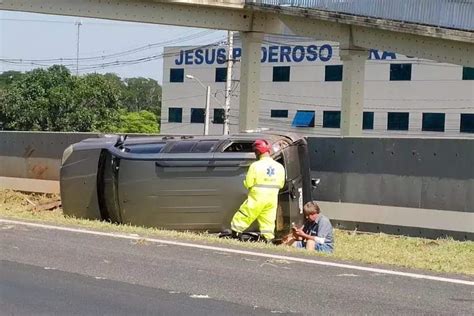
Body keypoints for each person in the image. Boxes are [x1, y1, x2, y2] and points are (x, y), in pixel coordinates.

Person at [229, 139, 285, 242]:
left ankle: (236, 233)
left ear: (257, 152)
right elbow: (281, 184)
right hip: (272, 198)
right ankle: (268, 239)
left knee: (245, 213)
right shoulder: (279, 167)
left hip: (257, 196)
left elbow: (249, 182)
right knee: (268, 218)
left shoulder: (255, 166)